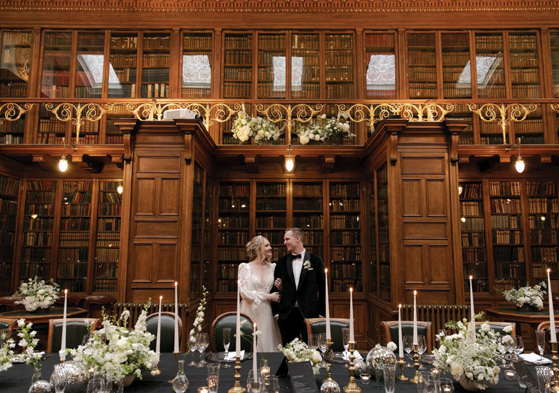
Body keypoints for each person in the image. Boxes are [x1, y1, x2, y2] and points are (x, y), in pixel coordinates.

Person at [273, 228, 325, 346]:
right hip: (287, 314)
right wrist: (276, 313)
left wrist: (321, 314)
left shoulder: (316, 261)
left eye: (287, 239)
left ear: (298, 239)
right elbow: (274, 288)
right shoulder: (281, 262)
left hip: (310, 313)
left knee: (312, 350)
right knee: (289, 352)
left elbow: (323, 288)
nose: (284, 242)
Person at [238, 235, 282, 352]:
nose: (270, 248)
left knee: (268, 345)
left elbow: (277, 289)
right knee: (250, 345)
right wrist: (268, 296)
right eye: (267, 245)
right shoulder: (245, 267)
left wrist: (280, 287)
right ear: (258, 249)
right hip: (250, 311)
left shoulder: (273, 267)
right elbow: (245, 293)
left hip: (268, 312)